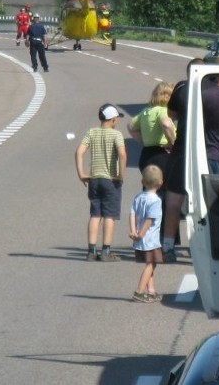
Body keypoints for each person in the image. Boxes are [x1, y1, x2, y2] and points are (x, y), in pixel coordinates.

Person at [161, 58, 204, 263]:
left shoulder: (180, 89)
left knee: (173, 201)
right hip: (205, 151)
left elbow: (171, 114)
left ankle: (168, 247)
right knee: (205, 202)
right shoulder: (209, 91)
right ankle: (203, 247)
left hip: (181, 150)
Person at [75, 103, 127, 262]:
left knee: (95, 214)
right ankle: (105, 251)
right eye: (117, 118)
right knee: (109, 215)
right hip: (110, 179)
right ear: (112, 120)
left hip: (94, 179)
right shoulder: (116, 135)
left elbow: (79, 152)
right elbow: (122, 155)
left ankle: (91, 251)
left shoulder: (92, 132)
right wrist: (120, 175)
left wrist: (81, 173)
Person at [129, 165, 164, 303]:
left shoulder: (139, 196)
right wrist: (141, 234)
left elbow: (132, 214)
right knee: (151, 264)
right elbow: (150, 220)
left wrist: (133, 231)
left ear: (142, 181)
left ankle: (151, 291)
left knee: (150, 263)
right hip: (150, 239)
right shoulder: (156, 200)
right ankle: (139, 291)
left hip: (140, 237)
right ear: (161, 182)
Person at [128, 82, 176, 172]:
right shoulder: (163, 110)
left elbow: (131, 126)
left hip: (146, 155)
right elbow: (166, 124)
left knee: (148, 183)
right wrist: (172, 144)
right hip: (161, 154)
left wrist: (143, 140)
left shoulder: (146, 111)